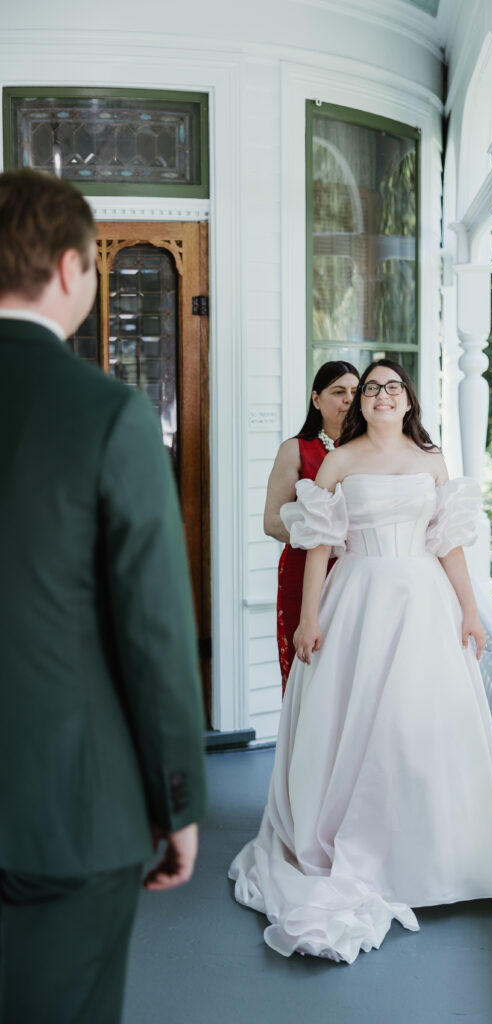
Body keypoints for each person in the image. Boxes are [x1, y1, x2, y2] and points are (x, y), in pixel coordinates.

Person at [230, 359, 492, 964]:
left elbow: (449, 542)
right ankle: (351, 842)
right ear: (360, 403)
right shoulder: (339, 461)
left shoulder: (432, 461)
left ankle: (430, 855)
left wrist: (470, 611)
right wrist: (310, 618)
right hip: (357, 596)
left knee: (417, 723)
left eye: (392, 387)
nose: (382, 395)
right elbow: (318, 548)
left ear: (407, 400)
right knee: (358, 722)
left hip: (422, 602)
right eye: (371, 389)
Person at [0, 169, 207, 1024]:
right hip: (71, 815)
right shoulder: (109, 414)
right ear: (70, 269)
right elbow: (153, 632)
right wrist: (178, 801)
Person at [264, 360, 359, 694]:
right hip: (304, 571)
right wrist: (324, 535)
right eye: (338, 392)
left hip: (358, 572)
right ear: (316, 399)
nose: (348, 399)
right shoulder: (296, 449)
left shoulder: (367, 450)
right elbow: (272, 522)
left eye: (354, 391)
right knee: (308, 671)